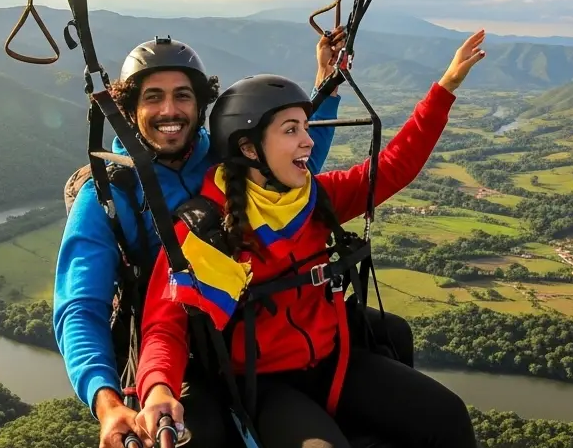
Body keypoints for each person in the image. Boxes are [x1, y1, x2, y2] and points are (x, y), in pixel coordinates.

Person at [134, 30, 488, 447]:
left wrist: (445, 88)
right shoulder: (209, 231)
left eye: (305, 126)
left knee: (447, 417)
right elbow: (166, 325)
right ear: (250, 149)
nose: (307, 140)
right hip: (267, 385)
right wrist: (158, 388)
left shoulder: (314, 199)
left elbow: (394, 167)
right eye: (291, 130)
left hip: (333, 360)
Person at [53, 31, 350, 448]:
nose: (169, 110)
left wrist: (327, 87)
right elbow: (80, 306)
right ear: (131, 108)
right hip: (173, 352)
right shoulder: (110, 193)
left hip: (250, 338)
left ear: (200, 105)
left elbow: (296, 168)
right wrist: (107, 402)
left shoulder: (225, 159)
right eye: (153, 97)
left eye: (183, 96)